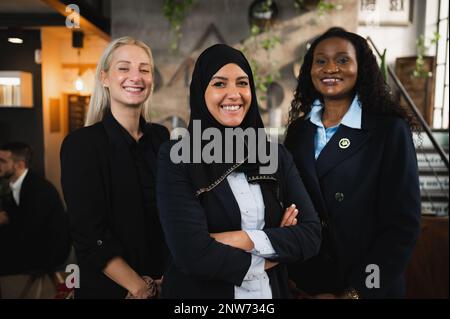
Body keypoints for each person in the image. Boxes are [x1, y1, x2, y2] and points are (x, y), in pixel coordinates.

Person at [156, 44, 321, 299]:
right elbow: (191, 254)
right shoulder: (177, 157)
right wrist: (274, 248)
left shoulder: (275, 155)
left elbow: (310, 235)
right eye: (219, 84)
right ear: (201, 91)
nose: (234, 94)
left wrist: (241, 239)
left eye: (242, 83)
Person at [284, 27, 421, 299]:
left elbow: (402, 227)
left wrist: (355, 292)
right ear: (309, 70)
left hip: (366, 288)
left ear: (362, 68)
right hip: (308, 285)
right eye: (320, 60)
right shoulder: (299, 132)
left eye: (343, 60)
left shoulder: (388, 131)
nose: (330, 67)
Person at [60, 37, 169, 299]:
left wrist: (169, 278)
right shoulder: (81, 145)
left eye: (144, 69)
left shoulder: (162, 139)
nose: (136, 76)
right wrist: (138, 286)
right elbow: (88, 233)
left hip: (164, 283)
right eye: (124, 68)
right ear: (104, 78)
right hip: (110, 288)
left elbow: (175, 215)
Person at [0, 142, 70, 275]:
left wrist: (6, 219)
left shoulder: (39, 189)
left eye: (2, 161)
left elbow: (30, 231)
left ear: (19, 165)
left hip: (48, 251)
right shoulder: (13, 184)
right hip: (30, 243)